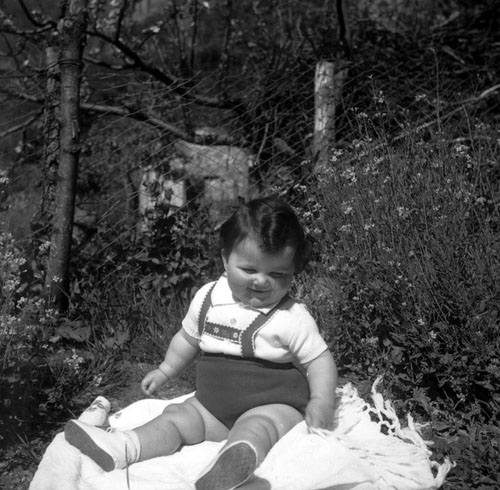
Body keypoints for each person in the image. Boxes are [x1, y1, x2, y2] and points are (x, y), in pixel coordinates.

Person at [64, 196, 338, 490]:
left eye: (277, 274)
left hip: (274, 406)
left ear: (293, 271)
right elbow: (187, 338)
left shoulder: (291, 316)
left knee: (258, 426)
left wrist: (321, 400)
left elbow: (319, 361)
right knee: (177, 416)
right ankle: (124, 446)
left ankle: (232, 465)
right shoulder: (209, 298)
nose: (262, 281)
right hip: (212, 409)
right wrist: (166, 369)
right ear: (225, 259)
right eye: (249, 270)